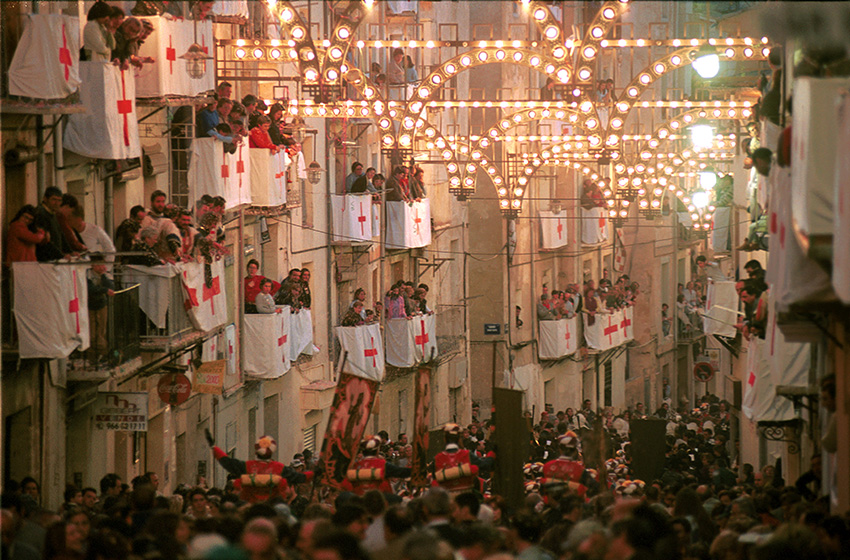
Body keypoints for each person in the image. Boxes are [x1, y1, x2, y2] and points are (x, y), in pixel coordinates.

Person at [205, 431, 314, 503]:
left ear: (256, 451)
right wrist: (316, 473)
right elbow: (301, 478)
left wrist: (214, 448)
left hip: (250, 508)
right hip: (272, 509)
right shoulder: (279, 468)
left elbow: (226, 462)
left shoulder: (247, 466)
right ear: (272, 451)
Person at [432, 423, 493, 494]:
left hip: (446, 500)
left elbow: (434, 480)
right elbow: (485, 465)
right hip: (466, 499)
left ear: (445, 439)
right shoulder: (466, 455)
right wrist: (492, 454)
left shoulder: (438, 458)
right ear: (459, 439)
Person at [344, 436, 411, 495]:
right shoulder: (382, 464)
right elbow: (402, 472)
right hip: (380, 500)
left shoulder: (355, 466)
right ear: (377, 451)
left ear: (363, 451)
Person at [540, 432, 597, 500]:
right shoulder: (579, 470)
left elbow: (542, 491)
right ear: (575, 451)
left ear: (560, 449)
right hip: (574, 506)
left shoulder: (547, 466)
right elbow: (594, 488)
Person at [87, 257, 115, 364]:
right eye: (99, 265)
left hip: (101, 305)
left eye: (103, 264)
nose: (102, 267)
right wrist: (104, 290)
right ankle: (91, 357)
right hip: (90, 306)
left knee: (101, 332)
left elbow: (111, 286)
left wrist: (103, 276)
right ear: (93, 266)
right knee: (91, 332)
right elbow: (90, 289)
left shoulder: (105, 275)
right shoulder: (87, 275)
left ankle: (102, 355)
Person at [34, 187, 67, 261]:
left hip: (53, 259)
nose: (57, 203)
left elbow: (60, 234)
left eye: (59, 200)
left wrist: (70, 251)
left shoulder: (52, 213)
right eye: (54, 199)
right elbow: (45, 240)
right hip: (44, 259)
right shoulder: (40, 213)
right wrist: (61, 256)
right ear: (45, 199)